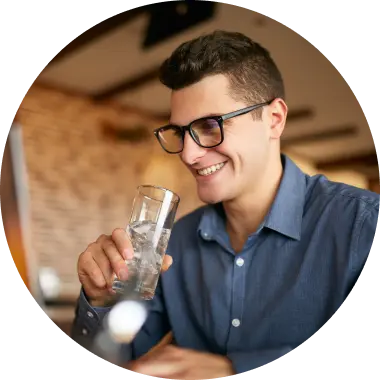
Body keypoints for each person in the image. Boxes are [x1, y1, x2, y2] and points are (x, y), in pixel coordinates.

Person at [70, 30, 380, 377]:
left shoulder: (363, 224)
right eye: (180, 132)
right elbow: (112, 353)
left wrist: (234, 369)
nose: (188, 154)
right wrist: (98, 301)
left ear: (274, 119)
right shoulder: (174, 244)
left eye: (209, 125)